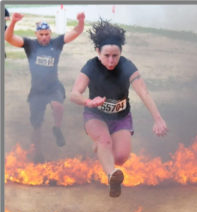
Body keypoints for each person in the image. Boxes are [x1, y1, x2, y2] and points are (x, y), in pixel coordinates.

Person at [70, 19, 168, 198]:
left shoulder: (126, 65)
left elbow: (144, 92)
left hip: (121, 117)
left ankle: (100, 149)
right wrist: (87, 102)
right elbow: (74, 94)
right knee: (104, 140)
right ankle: (111, 178)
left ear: (120, 53)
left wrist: (158, 118)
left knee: (121, 157)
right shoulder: (91, 67)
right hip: (95, 115)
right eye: (106, 55)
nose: (111, 60)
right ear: (98, 52)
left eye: (115, 55)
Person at [5, 12, 85, 163]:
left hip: (53, 86)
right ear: (36, 34)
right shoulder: (30, 44)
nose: (44, 37)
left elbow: (76, 32)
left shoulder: (56, 43)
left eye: (46, 34)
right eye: (41, 34)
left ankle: (57, 128)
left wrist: (81, 22)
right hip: (36, 91)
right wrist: (14, 22)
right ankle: (38, 153)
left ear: (50, 33)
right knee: (37, 126)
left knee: (58, 105)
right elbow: (8, 38)